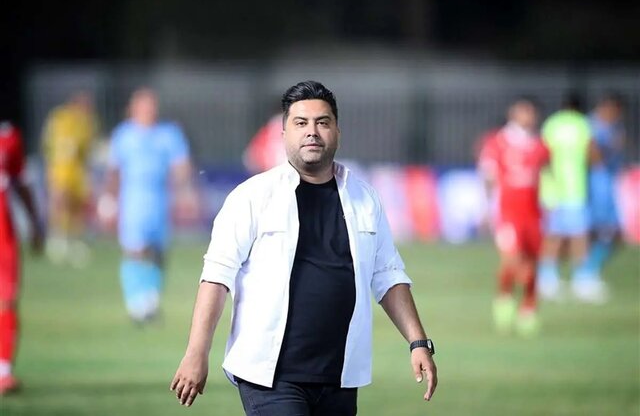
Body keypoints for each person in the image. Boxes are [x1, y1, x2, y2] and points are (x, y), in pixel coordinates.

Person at [170, 81, 438, 415]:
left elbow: (388, 275)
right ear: (283, 133)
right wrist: (196, 352)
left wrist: (418, 342)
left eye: (322, 122)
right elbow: (216, 276)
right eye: (301, 123)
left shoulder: (365, 198)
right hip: (270, 377)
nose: (312, 131)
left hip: (340, 377)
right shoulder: (251, 197)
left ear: (337, 132)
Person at [101, 88, 196, 324]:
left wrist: (186, 193)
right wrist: (109, 199)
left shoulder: (169, 134)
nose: (149, 110)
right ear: (133, 108)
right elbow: (114, 170)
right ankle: (135, 301)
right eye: (144, 105)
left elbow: (181, 166)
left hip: (160, 198)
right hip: (133, 198)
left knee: (157, 251)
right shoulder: (123, 135)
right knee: (134, 249)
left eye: (152, 105)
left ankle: (151, 299)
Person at [477, 98, 549, 337]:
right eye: (523, 111)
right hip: (507, 213)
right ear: (513, 113)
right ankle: (504, 296)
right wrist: (486, 207)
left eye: (531, 112)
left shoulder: (540, 145)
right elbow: (488, 176)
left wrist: (551, 204)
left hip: (533, 214)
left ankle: (529, 307)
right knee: (512, 259)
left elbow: (547, 176)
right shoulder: (497, 142)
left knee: (532, 262)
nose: (528, 116)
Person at [537, 94, 602, 303]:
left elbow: (541, 155)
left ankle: (547, 279)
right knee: (578, 236)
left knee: (553, 236)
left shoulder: (551, 124)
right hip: (575, 188)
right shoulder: (583, 124)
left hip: (551, 189)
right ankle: (582, 279)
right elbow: (593, 155)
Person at [0, 121, 43, 394]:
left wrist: (34, 222)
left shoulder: (9, 136)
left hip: (2, 232)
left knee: (7, 299)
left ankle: (3, 371)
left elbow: (20, 181)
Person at [41, 91, 97, 267]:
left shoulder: (87, 122)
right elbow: (49, 144)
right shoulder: (60, 118)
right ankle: (57, 240)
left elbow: (87, 149)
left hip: (78, 171)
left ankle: (75, 241)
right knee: (60, 202)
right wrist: (50, 167)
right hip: (61, 169)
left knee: (77, 207)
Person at [583, 93, 626, 294]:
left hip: (608, 186)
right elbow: (593, 156)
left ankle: (589, 271)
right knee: (596, 232)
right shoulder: (590, 126)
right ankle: (583, 274)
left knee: (614, 234)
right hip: (594, 187)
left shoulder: (615, 127)